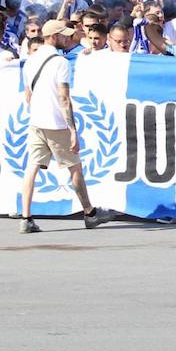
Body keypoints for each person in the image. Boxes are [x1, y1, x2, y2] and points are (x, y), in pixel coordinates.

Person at [18, 19, 118, 234]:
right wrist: (72, 129)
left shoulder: (31, 60)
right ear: (54, 37)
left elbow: (28, 95)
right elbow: (64, 98)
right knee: (74, 167)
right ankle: (89, 213)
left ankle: (26, 217)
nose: (68, 38)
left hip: (37, 121)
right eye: (64, 35)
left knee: (32, 167)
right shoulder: (60, 62)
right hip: (56, 123)